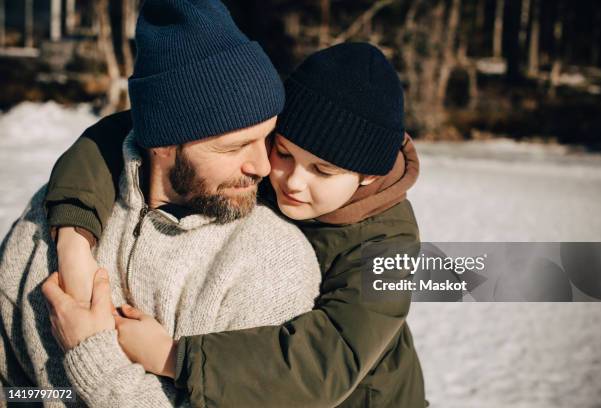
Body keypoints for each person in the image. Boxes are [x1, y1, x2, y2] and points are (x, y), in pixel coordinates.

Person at [42, 43, 428, 407]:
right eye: (284, 153)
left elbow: (328, 362)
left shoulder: (391, 246)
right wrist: (74, 237)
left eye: (323, 171)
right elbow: (135, 131)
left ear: (368, 178)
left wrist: (174, 357)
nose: (292, 181)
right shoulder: (261, 169)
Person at [0, 1, 322, 406]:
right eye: (235, 146)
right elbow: (11, 380)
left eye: (267, 137)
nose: (261, 165)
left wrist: (93, 356)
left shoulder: (273, 262)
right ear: (163, 144)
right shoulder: (54, 221)